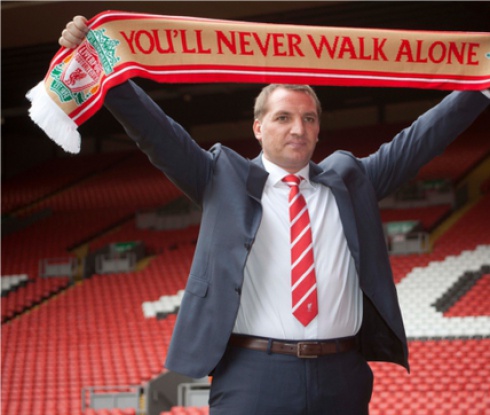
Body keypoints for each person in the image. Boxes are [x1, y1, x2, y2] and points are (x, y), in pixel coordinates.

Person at [60, 16, 490, 415]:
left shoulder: (351, 181)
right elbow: (156, 132)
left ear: (318, 129)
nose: (298, 129)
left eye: (308, 118)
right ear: (258, 127)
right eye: (283, 117)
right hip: (253, 375)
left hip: (342, 374)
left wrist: (481, 82)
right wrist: (101, 63)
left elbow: (422, 138)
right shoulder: (220, 178)